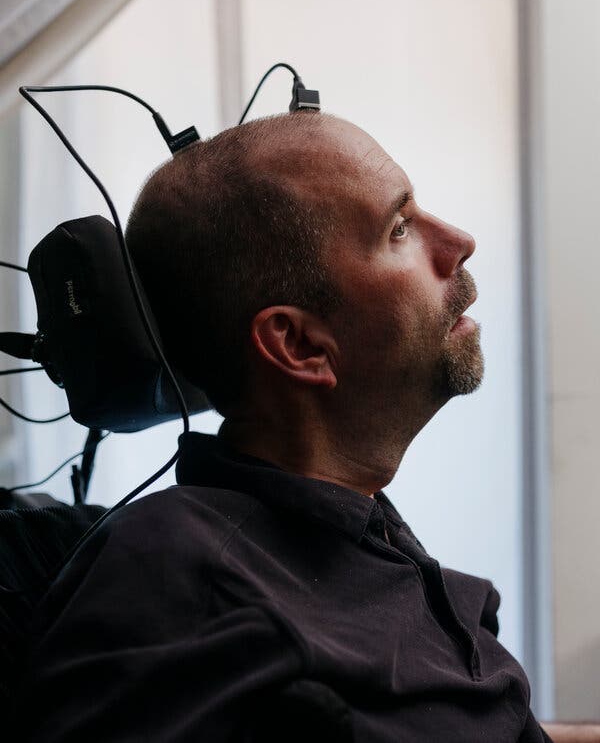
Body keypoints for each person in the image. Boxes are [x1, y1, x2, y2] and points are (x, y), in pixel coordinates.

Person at [13, 112, 594, 741]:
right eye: (398, 229)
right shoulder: (187, 595)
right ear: (298, 345)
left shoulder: (365, 537)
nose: (459, 241)